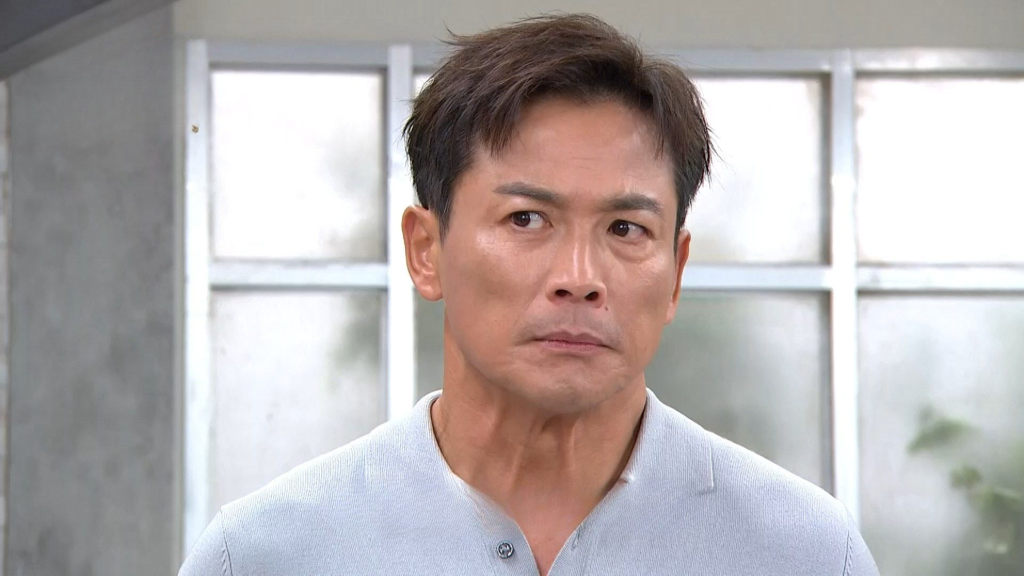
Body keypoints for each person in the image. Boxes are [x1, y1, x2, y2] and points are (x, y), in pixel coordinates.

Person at [180, 13, 878, 576]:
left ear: (676, 270)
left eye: (626, 228)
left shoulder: (807, 552)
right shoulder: (266, 553)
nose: (579, 275)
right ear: (426, 251)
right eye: (526, 219)